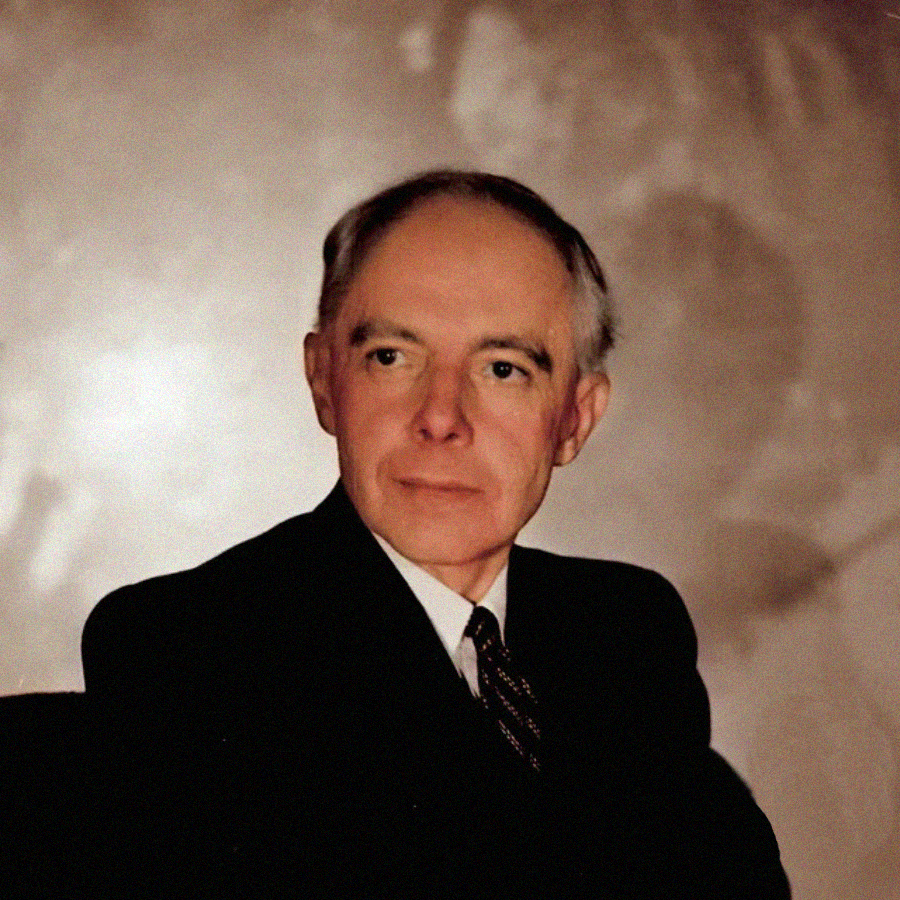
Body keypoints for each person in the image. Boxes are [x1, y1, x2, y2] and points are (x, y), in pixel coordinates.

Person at [27, 171, 789, 898]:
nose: (441, 416)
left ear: (575, 419)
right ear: (325, 380)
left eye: (503, 369)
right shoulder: (192, 647)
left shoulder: (626, 632)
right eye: (392, 358)